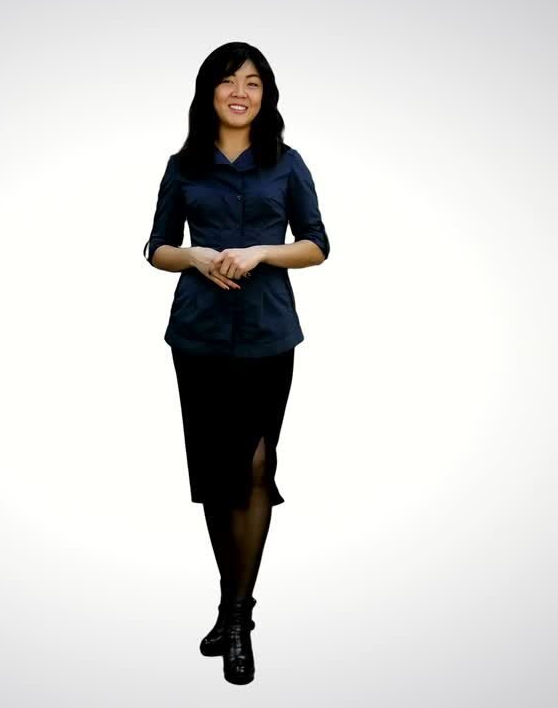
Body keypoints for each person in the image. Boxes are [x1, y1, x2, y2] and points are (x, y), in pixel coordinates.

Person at [142, 41, 330, 686]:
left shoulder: (288, 163)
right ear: (209, 92)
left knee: (255, 463)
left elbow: (316, 245)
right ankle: (230, 608)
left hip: (267, 335)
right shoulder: (184, 165)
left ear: (266, 94)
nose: (240, 91)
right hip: (196, 336)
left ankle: (238, 616)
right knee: (216, 473)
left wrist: (259, 253)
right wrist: (194, 257)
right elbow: (156, 247)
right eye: (228, 80)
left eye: (252, 81)